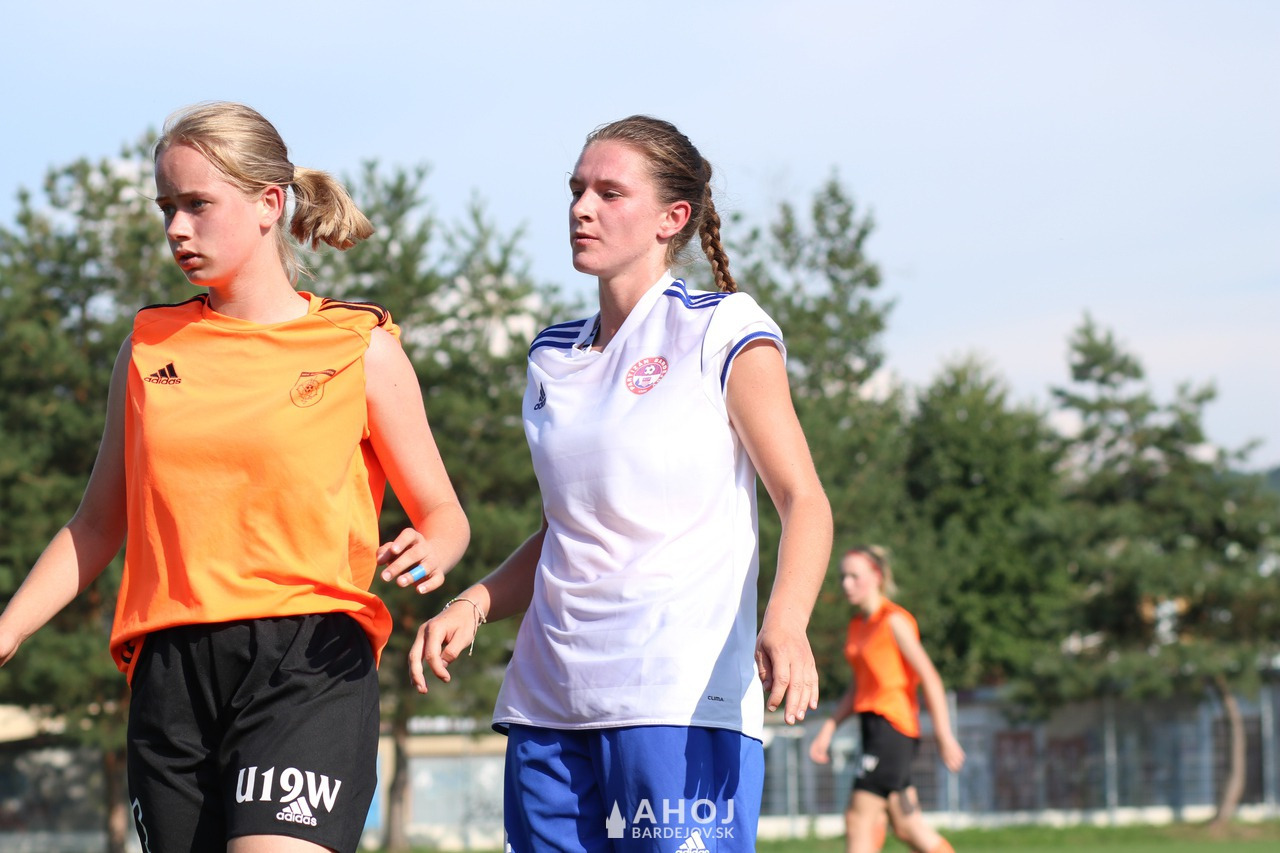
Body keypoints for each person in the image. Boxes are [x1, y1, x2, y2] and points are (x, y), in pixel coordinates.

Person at [0, 102, 469, 853]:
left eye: (197, 204)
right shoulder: (149, 347)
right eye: (167, 208)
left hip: (308, 659)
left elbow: (444, 512)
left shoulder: (359, 346)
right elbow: (97, 523)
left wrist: (433, 547)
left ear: (268, 204)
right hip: (170, 671)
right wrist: (10, 627)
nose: (176, 229)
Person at [408, 115, 833, 851]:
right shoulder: (550, 354)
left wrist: (787, 621)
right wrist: (474, 603)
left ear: (673, 218)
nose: (582, 208)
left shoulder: (723, 329)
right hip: (548, 703)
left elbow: (804, 500)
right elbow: (568, 529)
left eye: (609, 193)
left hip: (676, 699)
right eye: (577, 189)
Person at [808, 546, 965, 853]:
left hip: (892, 728)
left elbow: (930, 678)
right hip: (872, 728)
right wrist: (829, 728)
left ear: (877, 576)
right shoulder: (857, 625)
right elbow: (859, 687)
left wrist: (944, 736)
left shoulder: (894, 621)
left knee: (859, 818)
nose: (846, 584)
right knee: (907, 826)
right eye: (842, 577)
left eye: (855, 576)